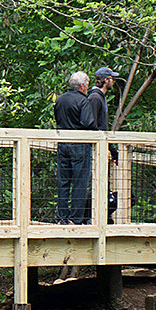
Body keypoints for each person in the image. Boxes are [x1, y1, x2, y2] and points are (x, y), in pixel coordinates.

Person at [54, 71, 97, 224]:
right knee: (80, 182)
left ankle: (62, 217)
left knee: (63, 180)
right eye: (87, 84)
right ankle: (76, 219)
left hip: (62, 144)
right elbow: (87, 123)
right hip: (79, 144)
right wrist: (98, 133)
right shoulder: (83, 101)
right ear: (83, 86)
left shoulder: (60, 99)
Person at [87, 66, 119, 223]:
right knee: (94, 184)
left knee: (103, 184)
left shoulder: (100, 97)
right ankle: (90, 218)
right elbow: (91, 124)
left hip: (102, 147)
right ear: (106, 80)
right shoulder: (94, 98)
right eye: (112, 78)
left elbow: (102, 127)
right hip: (94, 149)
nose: (113, 81)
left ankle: (104, 217)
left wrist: (111, 149)